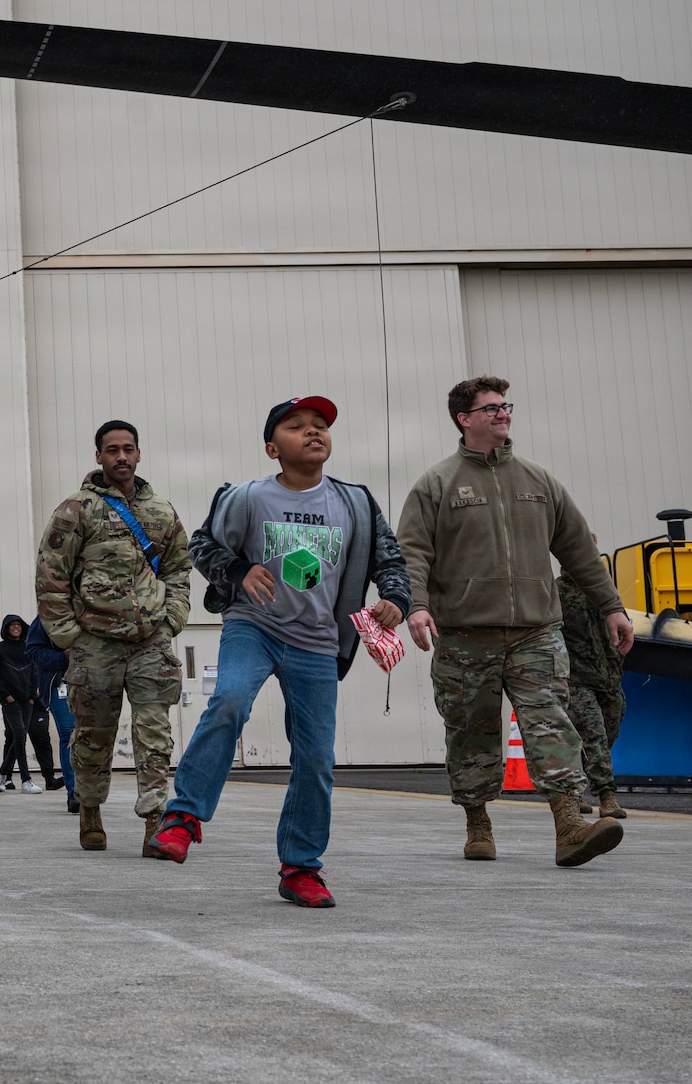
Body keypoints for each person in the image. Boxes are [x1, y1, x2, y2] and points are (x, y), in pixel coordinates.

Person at [148, 397, 412, 910]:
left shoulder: (355, 501)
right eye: (297, 427)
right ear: (273, 448)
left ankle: (300, 868)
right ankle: (183, 815)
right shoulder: (246, 497)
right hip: (255, 625)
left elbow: (389, 557)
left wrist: (397, 600)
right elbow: (201, 547)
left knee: (315, 760)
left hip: (317, 640)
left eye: (320, 427)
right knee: (229, 702)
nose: (313, 433)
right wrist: (239, 569)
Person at [397, 377, 632, 866]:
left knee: (551, 723)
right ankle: (477, 821)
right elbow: (412, 553)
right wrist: (415, 605)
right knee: (471, 731)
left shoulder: (538, 481)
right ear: (465, 418)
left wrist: (612, 606)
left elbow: (579, 552)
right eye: (491, 408)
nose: (504, 413)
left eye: (506, 406)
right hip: (464, 636)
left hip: (536, 632)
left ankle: (569, 823)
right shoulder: (436, 484)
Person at [34, 419, 192, 854]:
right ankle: (90, 810)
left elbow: (180, 568)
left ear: (139, 454)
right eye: (112, 450)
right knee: (93, 735)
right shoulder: (76, 510)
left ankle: (155, 821)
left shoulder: (161, 511)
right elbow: (51, 575)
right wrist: (69, 636)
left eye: (128, 449)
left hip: (150, 643)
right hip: (95, 644)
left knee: (154, 734)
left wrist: (172, 618)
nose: (121, 456)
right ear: (98, 456)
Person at [559, 562, 627, 819]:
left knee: (608, 733)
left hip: (609, 678)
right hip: (577, 680)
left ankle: (573, 791)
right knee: (595, 736)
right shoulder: (557, 593)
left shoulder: (605, 591)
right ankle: (606, 796)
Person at [0, 614, 56, 793]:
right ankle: (26, 780)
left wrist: (32, 696)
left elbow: (35, 671)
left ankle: (2, 772)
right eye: (11, 625)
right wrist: (6, 696)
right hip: (10, 701)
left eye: (18, 624)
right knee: (19, 735)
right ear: (6, 628)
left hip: (28, 700)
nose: (15, 627)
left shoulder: (29, 647)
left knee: (20, 736)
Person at [26, 618, 80, 811]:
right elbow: (34, 651)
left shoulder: (95, 608)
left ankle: (91, 791)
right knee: (68, 734)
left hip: (94, 682)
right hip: (60, 684)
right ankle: (74, 793)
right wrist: (63, 657)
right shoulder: (45, 618)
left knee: (92, 738)